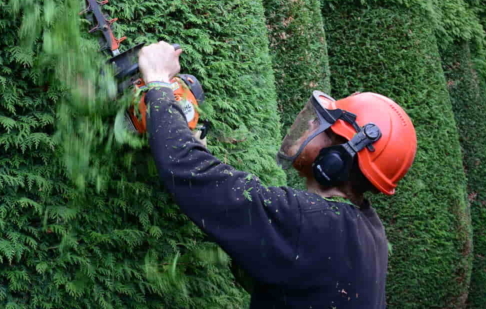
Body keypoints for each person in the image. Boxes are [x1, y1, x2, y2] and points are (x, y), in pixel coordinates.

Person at [137, 41, 417, 308]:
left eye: (321, 128)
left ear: (337, 158)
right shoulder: (368, 230)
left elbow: (188, 170)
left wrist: (159, 81)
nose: (308, 127)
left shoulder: (308, 221)